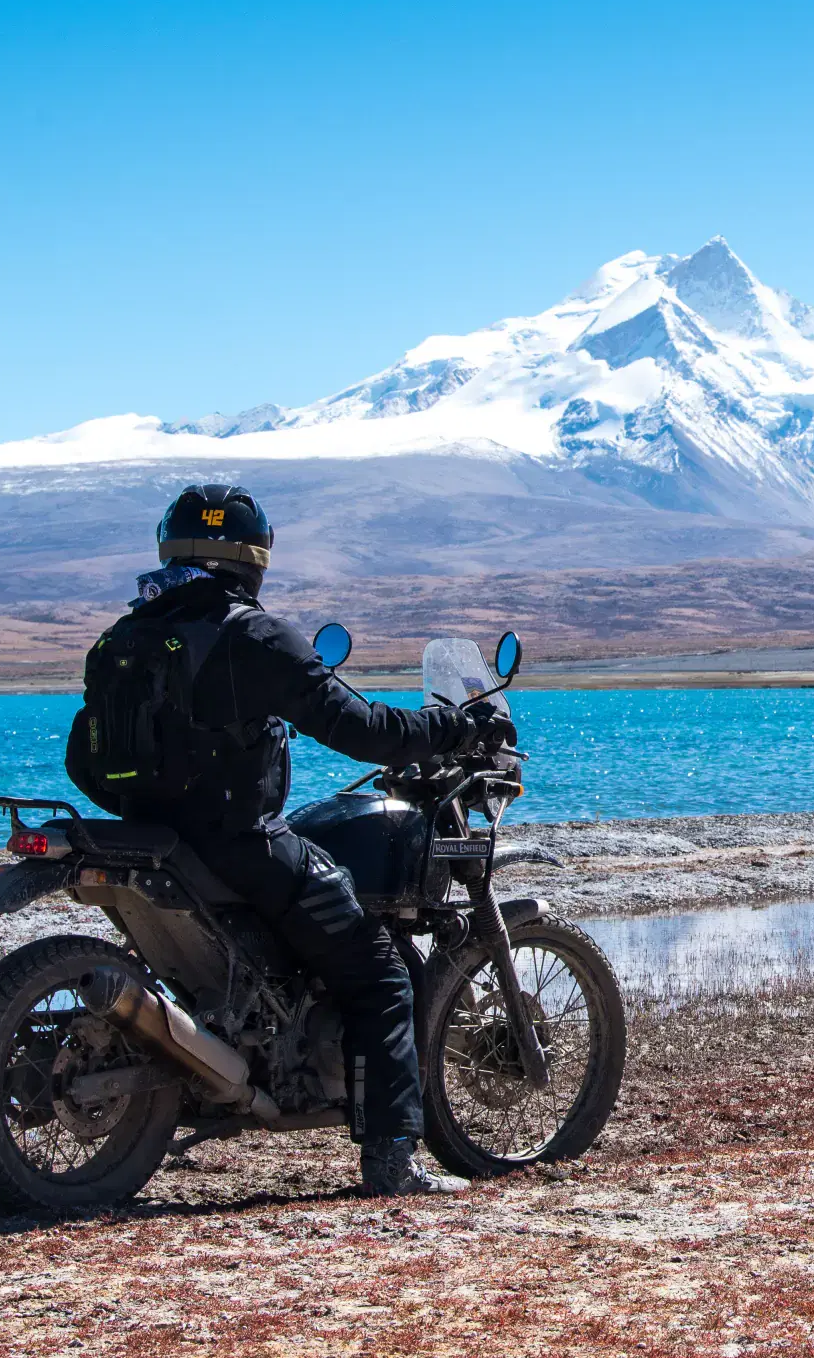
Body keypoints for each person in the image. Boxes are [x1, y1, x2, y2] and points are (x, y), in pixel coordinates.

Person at [65, 483, 512, 1197]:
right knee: (380, 973)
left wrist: (153, 811)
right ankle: (392, 1160)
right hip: (238, 846)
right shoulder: (252, 635)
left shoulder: (123, 636)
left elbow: (82, 759)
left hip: (146, 842)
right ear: (252, 558)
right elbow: (361, 729)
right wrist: (454, 727)